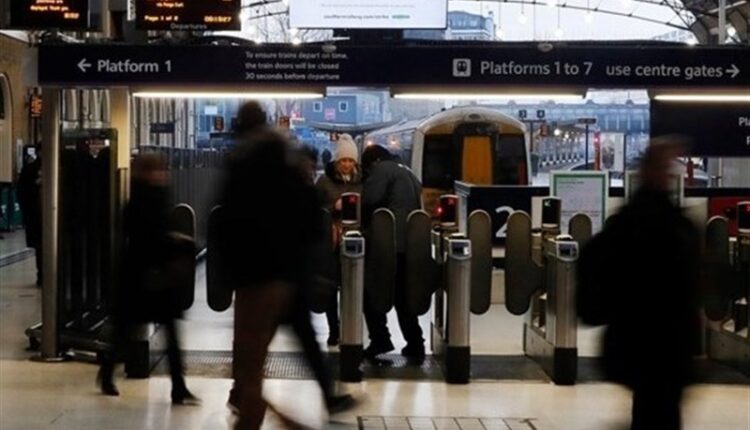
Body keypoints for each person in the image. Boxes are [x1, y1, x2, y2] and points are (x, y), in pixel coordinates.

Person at [220, 102, 353, 429]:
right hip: (287, 274)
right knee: (299, 338)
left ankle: (246, 407)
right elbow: (309, 216)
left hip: (254, 277)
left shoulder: (241, 163)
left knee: (251, 352)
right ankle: (325, 397)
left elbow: (227, 221)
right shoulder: (285, 160)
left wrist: (229, 270)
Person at [577, 136, 701, 430]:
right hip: (661, 345)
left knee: (650, 409)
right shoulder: (668, 224)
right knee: (660, 411)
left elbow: (594, 263)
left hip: (638, 342)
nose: (670, 174)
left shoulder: (630, 220)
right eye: (666, 168)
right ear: (651, 171)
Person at [98, 153, 198, 405]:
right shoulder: (141, 202)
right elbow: (148, 236)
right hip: (141, 277)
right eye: (156, 170)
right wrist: (173, 242)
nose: (162, 174)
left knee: (162, 334)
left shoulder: (153, 198)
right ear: (145, 173)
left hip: (151, 276)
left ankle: (178, 386)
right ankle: (108, 373)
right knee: (126, 331)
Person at [360, 144, 425, 360]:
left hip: (386, 244)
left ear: (373, 162)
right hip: (410, 245)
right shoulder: (407, 172)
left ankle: (380, 338)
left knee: (371, 291)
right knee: (403, 296)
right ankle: (415, 343)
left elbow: (369, 201)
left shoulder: (380, 171)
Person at [315, 134, 363, 346]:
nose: (347, 164)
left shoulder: (362, 182)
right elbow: (313, 208)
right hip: (331, 241)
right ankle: (333, 329)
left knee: (352, 286)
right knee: (331, 287)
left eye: (350, 160)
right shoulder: (324, 182)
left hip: (355, 240)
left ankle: (350, 327)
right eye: (343, 160)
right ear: (336, 161)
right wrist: (332, 208)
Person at [17, 150, 43, 286]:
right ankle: (42, 274)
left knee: (40, 247)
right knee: (40, 246)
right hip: (36, 214)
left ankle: (42, 274)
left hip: (35, 215)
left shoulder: (28, 169)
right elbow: (22, 192)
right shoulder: (29, 170)